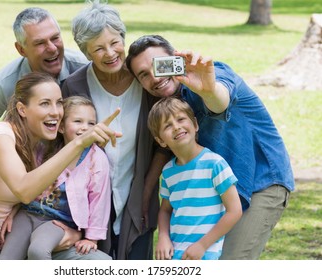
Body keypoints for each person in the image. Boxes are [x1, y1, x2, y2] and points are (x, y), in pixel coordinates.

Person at [126, 35, 295, 260]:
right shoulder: (172, 108)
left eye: (159, 65)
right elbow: (165, 150)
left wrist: (207, 90)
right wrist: (145, 196)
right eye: (144, 75)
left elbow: (219, 102)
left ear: (176, 57)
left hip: (261, 182)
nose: (155, 78)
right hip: (220, 192)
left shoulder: (213, 75)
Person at [0, 72, 119, 260]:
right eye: (45, 103)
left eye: (59, 103)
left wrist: (78, 233)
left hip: (24, 240)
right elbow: (25, 190)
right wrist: (79, 144)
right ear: (22, 109)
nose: (56, 112)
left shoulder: (42, 143)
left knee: (101, 263)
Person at [61, 1, 167, 260]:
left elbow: (161, 145)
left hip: (139, 195)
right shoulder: (73, 87)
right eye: (98, 48)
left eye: (114, 42)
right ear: (86, 53)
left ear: (123, 37)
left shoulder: (146, 81)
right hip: (88, 203)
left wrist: (145, 192)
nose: (110, 53)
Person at [0, 96, 111, 260]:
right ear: (62, 127)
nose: (85, 128)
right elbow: (27, 182)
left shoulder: (96, 158)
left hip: (56, 222)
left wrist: (91, 238)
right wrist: (13, 212)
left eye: (91, 123)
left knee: (38, 251)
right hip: (27, 214)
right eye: (78, 121)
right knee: (6, 260)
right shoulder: (44, 151)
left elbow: (99, 199)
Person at [0, 7, 88, 143]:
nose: (52, 48)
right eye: (40, 43)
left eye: (55, 38)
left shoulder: (84, 68)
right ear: (21, 49)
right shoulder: (7, 81)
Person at [147, 97, 242, 260]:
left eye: (181, 119)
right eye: (167, 125)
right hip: (174, 254)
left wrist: (202, 245)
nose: (176, 127)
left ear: (195, 125)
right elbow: (165, 210)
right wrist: (163, 236)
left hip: (204, 253)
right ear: (161, 140)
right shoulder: (168, 171)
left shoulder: (214, 164)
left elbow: (234, 211)